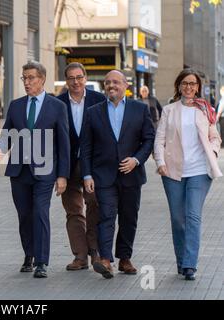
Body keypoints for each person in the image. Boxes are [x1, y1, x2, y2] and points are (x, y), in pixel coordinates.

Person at [0, 61, 70, 278]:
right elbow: (7, 132)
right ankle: (28, 255)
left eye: (31, 78)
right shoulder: (16, 105)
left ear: (42, 79)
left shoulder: (57, 106)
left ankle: (41, 262)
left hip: (45, 171)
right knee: (24, 215)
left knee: (40, 213)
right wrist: (0, 148)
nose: (27, 82)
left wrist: (62, 175)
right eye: (24, 78)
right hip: (19, 171)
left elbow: (64, 144)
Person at [81, 70, 155, 279]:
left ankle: (124, 258)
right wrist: (87, 175)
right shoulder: (93, 112)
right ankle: (105, 259)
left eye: (115, 82)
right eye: (107, 82)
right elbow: (86, 147)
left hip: (131, 175)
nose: (110, 85)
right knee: (106, 216)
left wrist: (136, 159)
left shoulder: (140, 109)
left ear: (125, 85)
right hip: (103, 175)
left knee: (129, 217)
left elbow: (148, 139)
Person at [154, 69, 222, 281]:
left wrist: (212, 152)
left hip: (200, 171)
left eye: (193, 84)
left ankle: (190, 265)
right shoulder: (169, 110)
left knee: (193, 216)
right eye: (185, 83)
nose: (189, 87)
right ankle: (181, 261)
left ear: (198, 87)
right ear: (179, 86)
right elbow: (159, 139)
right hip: (172, 170)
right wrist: (160, 162)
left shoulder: (206, 109)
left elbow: (215, 137)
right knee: (178, 219)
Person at [56, 63, 106, 271]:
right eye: (70, 78)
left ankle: (94, 250)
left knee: (94, 205)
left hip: (92, 166)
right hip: (66, 167)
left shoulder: (99, 100)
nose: (75, 82)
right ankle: (80, 256)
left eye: (79, 77)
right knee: (73, 211)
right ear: (66, 80)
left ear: (85, 78)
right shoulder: (57, 103)